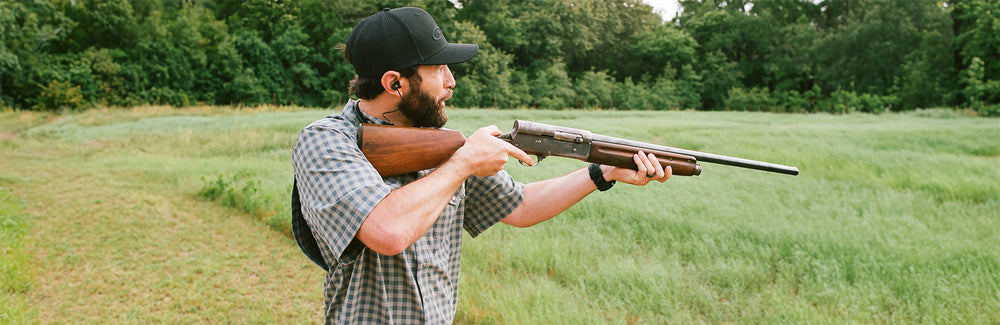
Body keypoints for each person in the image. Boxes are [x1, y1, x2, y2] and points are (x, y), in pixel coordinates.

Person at [291, 7, 672, 324]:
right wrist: (463, 164)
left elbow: (522, 206)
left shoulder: (443, 149)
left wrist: (603, 172)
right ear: (395, 83)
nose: (451, 81)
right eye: (439, 69)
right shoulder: (326, 142)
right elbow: (388, 231)